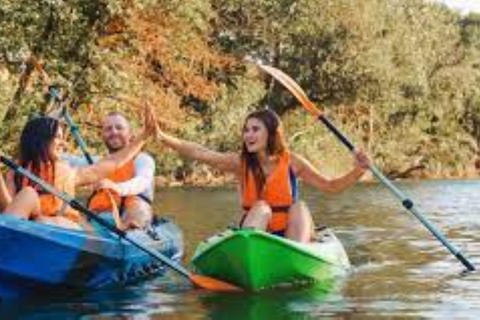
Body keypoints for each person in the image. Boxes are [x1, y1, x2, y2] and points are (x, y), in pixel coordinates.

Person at [155, 108, 370, 243]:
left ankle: (298, 255)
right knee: (261, 207)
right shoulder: (240, 162)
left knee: (299, 207)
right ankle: (250, 250)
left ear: (272, 133)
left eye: (255, 129)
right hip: (257, 233)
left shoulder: (293, 162)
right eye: (246, 129)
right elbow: (199, 152)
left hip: (290, 235)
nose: (248, 134)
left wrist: (358, 170)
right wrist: (162, 137)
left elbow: (331, 186)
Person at [0, 106, 158, 230]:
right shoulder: (16, 173)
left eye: (119, 128)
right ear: (41, 140)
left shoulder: (69, 173)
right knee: (28, 194)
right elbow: (10, 211)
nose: (64, 144)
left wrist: (143, 136)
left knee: (40, 217)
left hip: (65, 228)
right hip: (28, 227)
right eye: (59, 138)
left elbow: (113, 162)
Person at [85, 111, 156, 230]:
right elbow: (67, 160)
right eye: (108, 129)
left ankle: (131, 230)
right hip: (102, 214)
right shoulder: (96, 162)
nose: (114, 132)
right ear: (102, 135)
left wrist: (117, 188)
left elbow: (142, 181)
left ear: (129, 134)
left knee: (138, 207)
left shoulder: (143, 159)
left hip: (133, 211)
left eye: (119, 128)